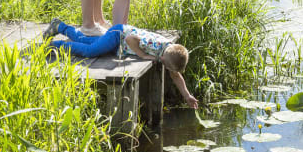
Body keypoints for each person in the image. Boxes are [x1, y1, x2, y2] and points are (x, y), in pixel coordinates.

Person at [42, 18, 199, 109]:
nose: (169, 70)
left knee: (85, 41)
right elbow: (131, 39)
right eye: (167, 67)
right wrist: (142, 55)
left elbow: (175, 75)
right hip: (119, 36)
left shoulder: (169, 52)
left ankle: (59, 26)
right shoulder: (156, 45)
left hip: (119, 40)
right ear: (164, 60)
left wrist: (187, 95)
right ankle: (55, 46)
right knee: (90, 51)